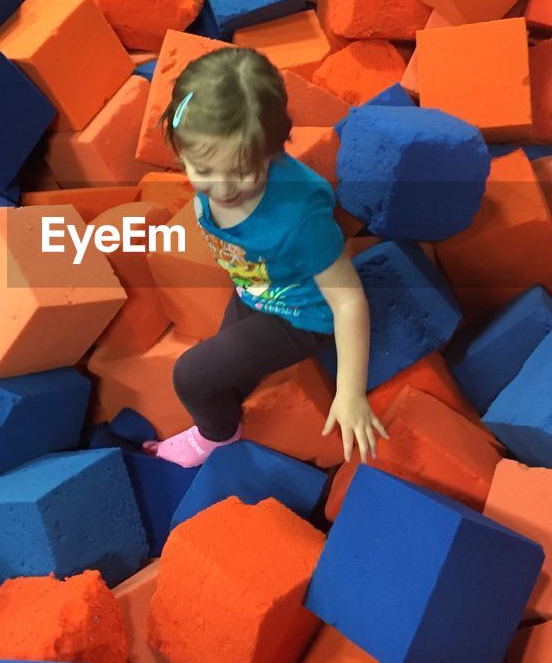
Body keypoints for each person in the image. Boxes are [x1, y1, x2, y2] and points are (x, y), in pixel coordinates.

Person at [141, 46, 389, 468]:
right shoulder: (219, 169)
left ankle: (217, 435)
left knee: (191, 375)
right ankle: (230, 404)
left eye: (241, 172)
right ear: (180, 151)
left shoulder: (298, 219)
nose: (220, 189)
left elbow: (347, 301)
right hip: (255, 290)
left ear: (273, 152)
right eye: (202, 170)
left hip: (301, 318)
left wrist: (350, 393)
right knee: (224, 373)